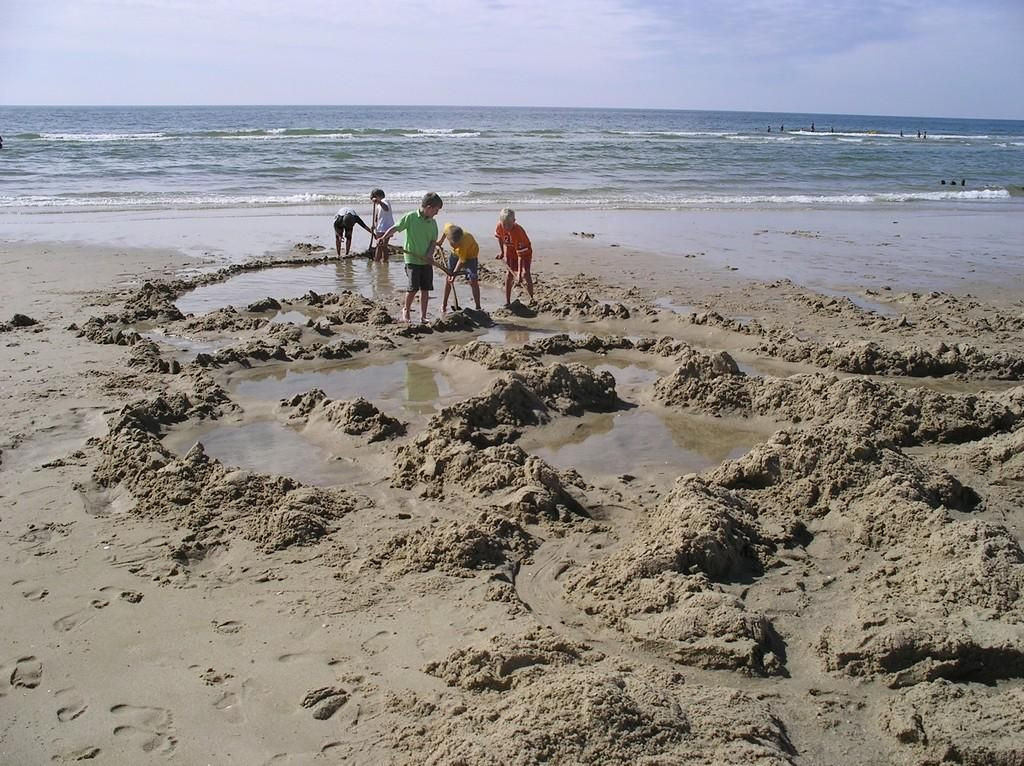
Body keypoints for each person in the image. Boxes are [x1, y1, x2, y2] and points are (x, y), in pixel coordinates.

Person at [380, 192, 443, 323]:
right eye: (436, 210)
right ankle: (406, 310)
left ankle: (423, 316)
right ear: (429, 207)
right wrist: (384, 237)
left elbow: (433, 242)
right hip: (412, 259)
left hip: (426, 261)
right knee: (413, 288)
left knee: (426, 289)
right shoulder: (411, 217)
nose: (437, 213)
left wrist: (429, 254)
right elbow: (395, 228)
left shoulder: (432, 223)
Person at [436, 223, 482, 312]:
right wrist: (441, 241)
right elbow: (445, 232)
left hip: (471, 256)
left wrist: (454, 275)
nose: (456, 246)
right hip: (455, 255)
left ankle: (478, 307)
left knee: (473, 280)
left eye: (458, 244)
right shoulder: (449, 228)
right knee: (448, 279)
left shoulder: (463, 244)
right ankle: (444, 305)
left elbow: (461, 261)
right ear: (449, 239)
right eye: (453, 244)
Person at [494, 208, 534, 305]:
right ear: (501, 222)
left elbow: (520, 255)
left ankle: (531, 299)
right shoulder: (499, 226)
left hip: (524, 252)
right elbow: (499, 237)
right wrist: (502, 252)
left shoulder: (518, 232)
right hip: (510, 251)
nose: (507, 227)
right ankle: (507, 301)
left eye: (509, 224)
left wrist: (519, 273)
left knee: (525, 274)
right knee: (509, 275)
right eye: (504, 225)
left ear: (514, 221)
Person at [370, 189, 395, 262]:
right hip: (380, 227)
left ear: (377, 196)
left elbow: (386, 209)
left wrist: (379, 201)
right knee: (381, 246)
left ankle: (381, 261)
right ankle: (381, 260)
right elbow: (377, 216)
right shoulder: (378, 205)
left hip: (385, 227)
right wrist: (374, 225)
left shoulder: (385, 201)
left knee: (381, 246)